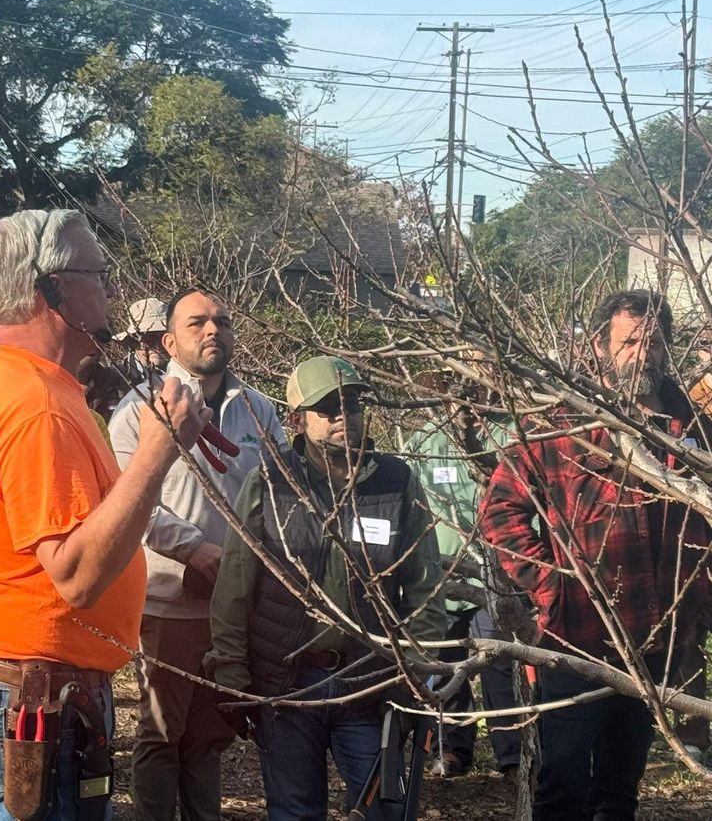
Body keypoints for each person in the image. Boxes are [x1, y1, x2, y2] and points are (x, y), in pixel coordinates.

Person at [0, 209, 210, 821]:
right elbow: (78, 576)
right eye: (98, 273)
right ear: (50, 290)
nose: (110, 287)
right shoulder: (37, 406)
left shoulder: (16, 381)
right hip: (30, 697)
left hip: (16, 683)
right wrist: (157, 451)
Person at [480, 289, 711, 820]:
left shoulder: (692, 427)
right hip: (579, 637)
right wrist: (553, 584)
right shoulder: (561, 423)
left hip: (656, 639)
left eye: (655, 343)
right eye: (630, 342)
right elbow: (499, 511)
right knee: (562, 782)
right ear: (600, 347)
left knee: (620, 786)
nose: (644, 354)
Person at [206, 356, 445, 821]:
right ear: (297, 419)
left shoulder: (396, 481)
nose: (343, 416)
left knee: (385, 810)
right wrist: (231, 672)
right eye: (328, 407)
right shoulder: (270, 482)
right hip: (287, 685)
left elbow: (425, 588)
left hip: (370, 684)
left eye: (352, 404)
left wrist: (416, 674)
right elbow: (234, 586)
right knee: (295, 812)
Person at [108, 287, 286, 821]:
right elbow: (127, 501)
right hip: (170, 599)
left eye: (222, 321)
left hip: (236, 604)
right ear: (168, 342)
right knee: (162, 732)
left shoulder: (257, 409)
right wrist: (196, 550)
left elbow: (281, 493)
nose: (213, 330)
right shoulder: (139, 409)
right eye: (197, 323)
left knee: (210, 734)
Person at [405, 393, 522, 779]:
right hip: (440, 579)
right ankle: (451, 749)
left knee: (499, 663)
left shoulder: (510, 436)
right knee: (442, 665)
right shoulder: (426, 442)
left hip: (495, 578)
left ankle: (514, 755)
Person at [115, 296, 170, 386]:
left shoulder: (189, 371)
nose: (157, 345)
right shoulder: (117, 381)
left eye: (163, 336)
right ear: (133, 340)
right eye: (149, 337)